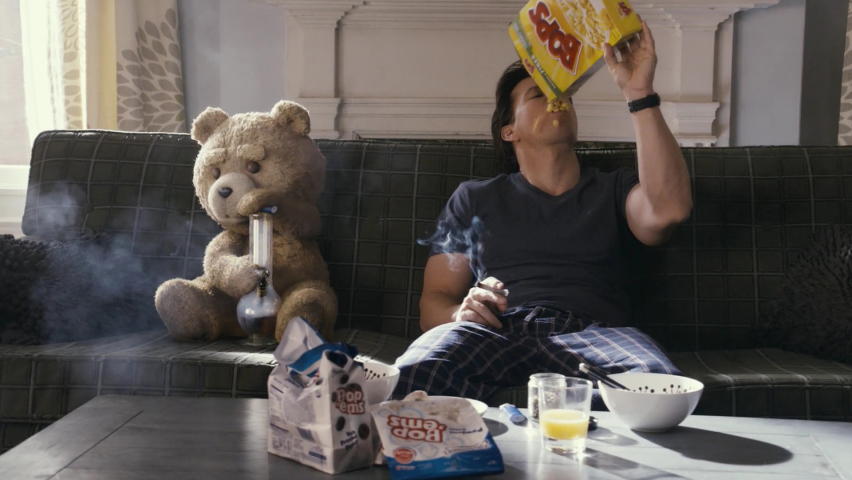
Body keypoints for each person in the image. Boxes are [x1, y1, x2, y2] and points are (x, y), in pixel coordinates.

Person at [392, 20, 692, 404]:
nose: (557, 100)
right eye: (538, 94)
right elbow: (433, 302)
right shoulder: (474, 197)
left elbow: (669, 211)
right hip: (495, 329)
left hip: (593, 333)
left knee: (659, 391)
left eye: (563, 94)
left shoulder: (615, 188)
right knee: (408, 376)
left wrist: (639, 92)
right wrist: (459, 314)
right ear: (509, 131)